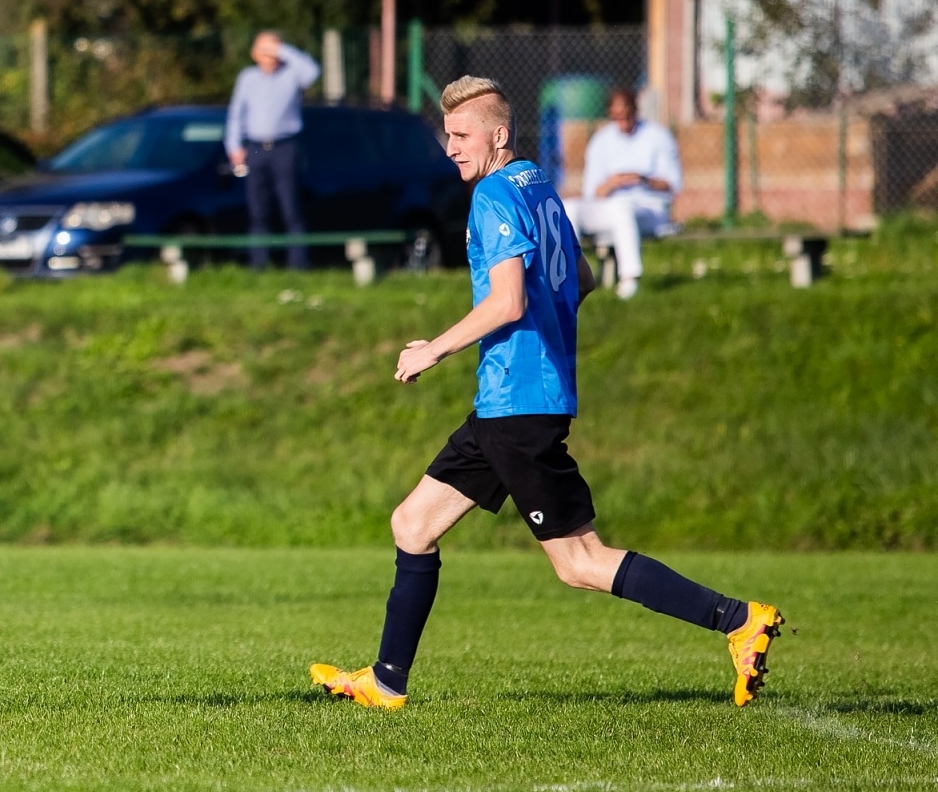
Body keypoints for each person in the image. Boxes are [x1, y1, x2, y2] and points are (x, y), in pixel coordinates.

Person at [309, 76, 783, 712]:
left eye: (460, 135)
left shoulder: (493, 197)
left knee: (580, 561)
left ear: (497, 136)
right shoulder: (538, 184)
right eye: (446, 135)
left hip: (517, 404)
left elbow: (506, 302)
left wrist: (433, 349)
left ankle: (737, 620)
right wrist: (548, 331)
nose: (449, 147)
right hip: (513, 400)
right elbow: (581, 277)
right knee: (413, 524)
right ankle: (387, 681)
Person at [562, 88, 682, 300]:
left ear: (635, 110)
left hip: (649, 208)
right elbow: (592, 192)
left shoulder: (657, 136)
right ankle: (569, 276)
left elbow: (672, 185)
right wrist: (613, 183)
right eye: (617, 117)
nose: (623, 121)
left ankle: (629, 278)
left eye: (627, 115)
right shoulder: (601, 140)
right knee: (569, 208)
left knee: (622, 208)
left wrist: (642, 179)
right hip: (608, 206)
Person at [225, 31, 321, 270]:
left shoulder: (291, 75)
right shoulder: (247, 78)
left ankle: (298, 266)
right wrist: (234, 147)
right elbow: (237, 113)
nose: (268, 56)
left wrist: (281, 50)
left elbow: (312, 73)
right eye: (264, 50)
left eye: (273, 51)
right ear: (254, 54)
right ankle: (259, 265)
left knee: (290, 209)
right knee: (257, 210)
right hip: (255, 148)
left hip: (284, 147)